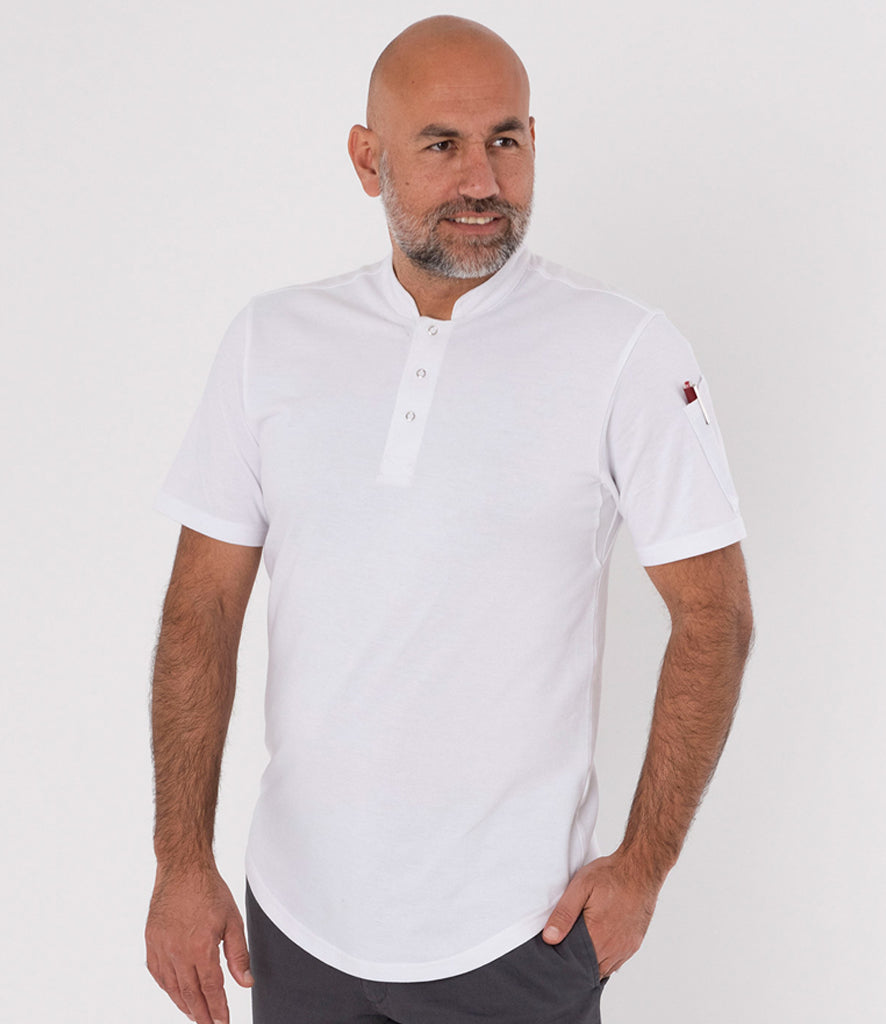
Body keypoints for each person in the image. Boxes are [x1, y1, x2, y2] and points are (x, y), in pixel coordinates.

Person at [145, 15, 753, 1024]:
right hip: (297, 921)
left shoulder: (624, 349)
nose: (482, 181)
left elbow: (714, 615)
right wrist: (180, 861)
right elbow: (200, 606)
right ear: (367, 158)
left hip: (518, 935)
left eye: (505, 141)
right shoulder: (271, 341)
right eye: (441, 145)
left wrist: (643, 867)